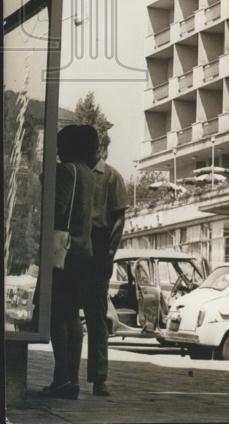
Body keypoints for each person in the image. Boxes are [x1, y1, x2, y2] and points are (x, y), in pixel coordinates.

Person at [42, 126, 95, 400]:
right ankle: (70, 379)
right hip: (84, 251)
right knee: (73, 315)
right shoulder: (89, 173)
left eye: (61, 145)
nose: (58, 150)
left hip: (62, 251)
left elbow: (57, 210)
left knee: (55, 315)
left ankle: (61, 376)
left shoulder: (65, 172)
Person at [77, 125, 128, 397]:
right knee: (70, 311)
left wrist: (109, 252)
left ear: (96, 148)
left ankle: (99, 378)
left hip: (98, 245)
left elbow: (119, 218)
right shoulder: (77, 172)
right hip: (77, 242)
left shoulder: (110, 177)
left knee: (96, 314)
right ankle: (66, 376)